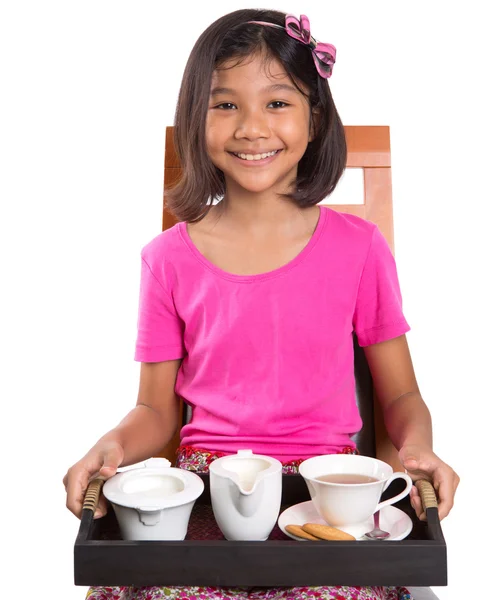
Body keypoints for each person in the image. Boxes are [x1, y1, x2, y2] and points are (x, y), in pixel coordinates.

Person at [64, 8, 459, 600]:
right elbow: (155, 411)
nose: (252, 127)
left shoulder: (360, 249)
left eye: (277, 103)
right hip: (204, 488)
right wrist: (112, 445)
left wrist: (418, 448)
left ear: (314, 117)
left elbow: (399, 394)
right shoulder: (166, 259)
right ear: (194, 118)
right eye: (225, 104)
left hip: (326, 488)